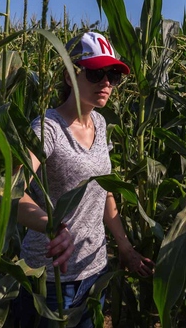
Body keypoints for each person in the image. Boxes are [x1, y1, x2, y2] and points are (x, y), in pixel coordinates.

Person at [13, 32, 155, 327]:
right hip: (51, 277)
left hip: (94, 272)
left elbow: (106, 190)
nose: (106, 83)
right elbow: (10, 193)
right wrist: (50, 224)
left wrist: (125, 248)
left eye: (113, 75)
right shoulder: (48, 129)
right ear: (69, 76)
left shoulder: (100, 123)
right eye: (95, 73)